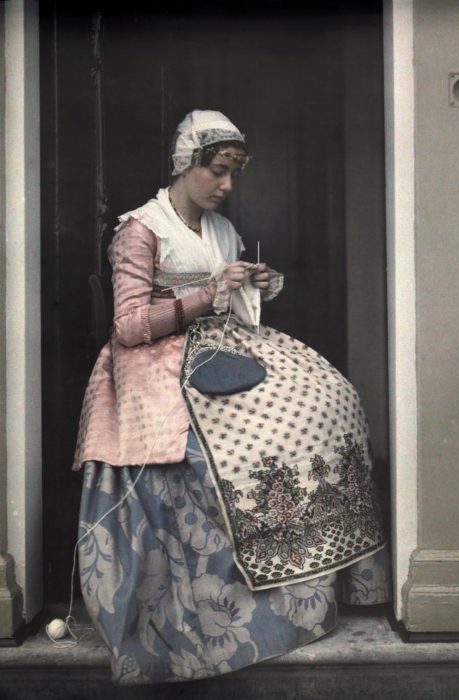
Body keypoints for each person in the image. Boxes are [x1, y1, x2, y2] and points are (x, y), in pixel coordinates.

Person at [73, 109, 391, 685]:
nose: (226, 186)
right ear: (186, 164)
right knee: (242, 441)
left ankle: (310, 581)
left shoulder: (221, 230)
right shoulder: (140, 229)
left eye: (232, 175)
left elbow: (234, 303)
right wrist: (207, 294)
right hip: (157, 360)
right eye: (217, 172)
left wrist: (255, 285)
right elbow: (126, 326)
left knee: (330, 399)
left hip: (226, 347)